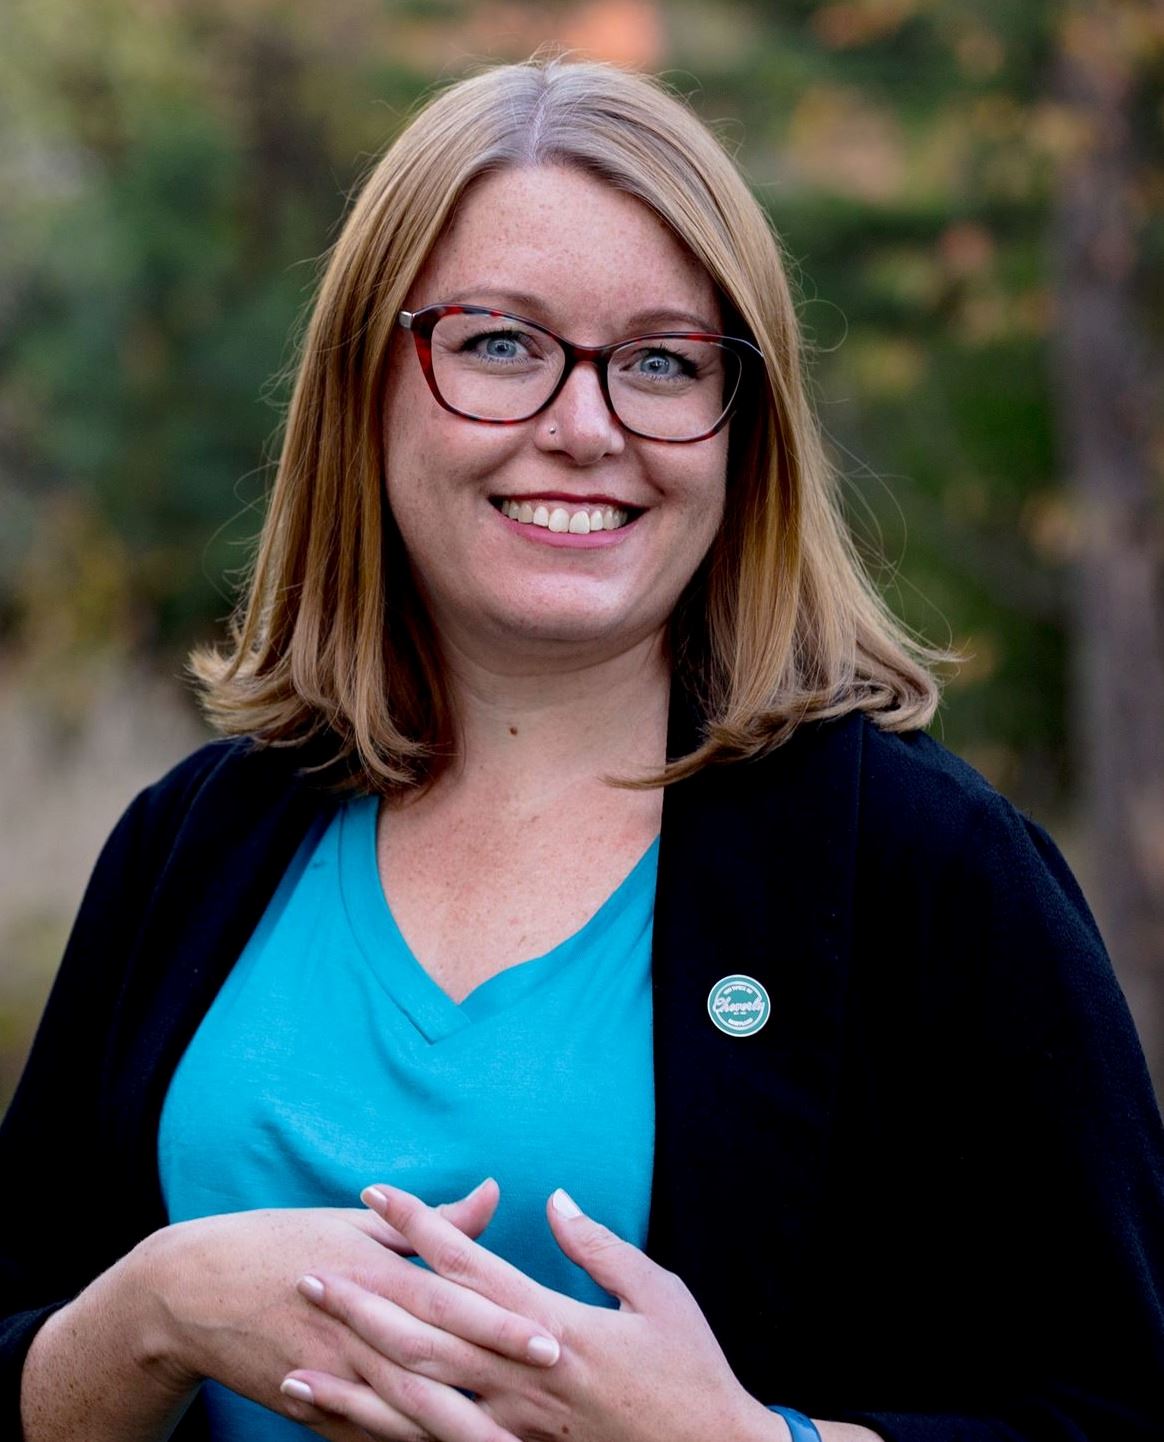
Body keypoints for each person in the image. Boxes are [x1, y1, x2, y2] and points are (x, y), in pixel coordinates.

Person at [3, 51, 1163, 1442]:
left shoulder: (931, 871)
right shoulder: (197, 842)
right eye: (499, 342)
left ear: (748, 430)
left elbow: (1116, 1407)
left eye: (663, 363)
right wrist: (151, 1312)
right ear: (366, 388)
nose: (585, 426)